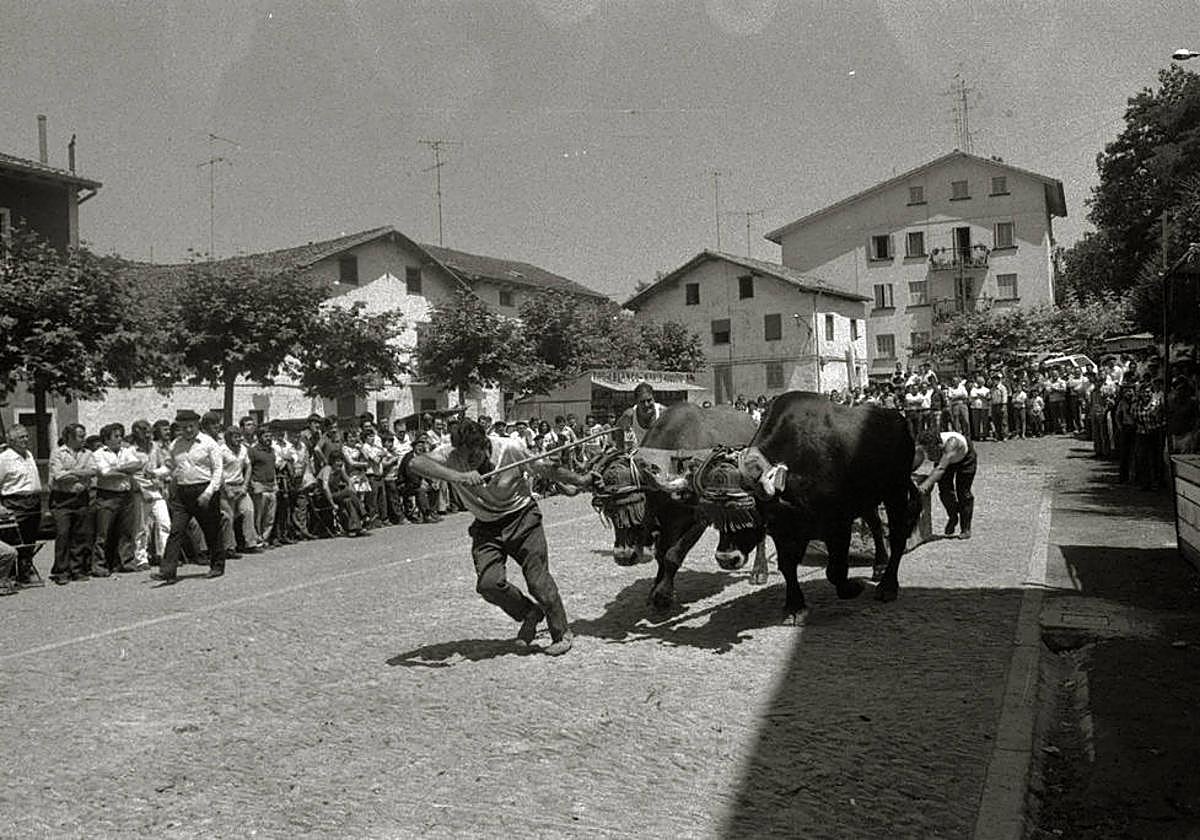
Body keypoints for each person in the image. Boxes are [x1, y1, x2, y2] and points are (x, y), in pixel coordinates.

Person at [406, 419, 594, 655]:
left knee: (538, 581)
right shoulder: (451, 454)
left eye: (472, 457)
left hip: (523, 519)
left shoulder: (511, 448)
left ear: (485, 445)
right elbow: (416, 462)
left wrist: (580, 481)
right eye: (462, 456)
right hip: (486, 526)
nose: (466, 461)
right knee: (489, 584)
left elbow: (545, 469)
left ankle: (561, 632)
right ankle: (529, 613)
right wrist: (457, 476)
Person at [155, 409, 224, 583]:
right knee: (176, 530)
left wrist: (208, 493)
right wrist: (154, 473)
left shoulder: (209, 443)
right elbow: (169, 468)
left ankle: (217, 565)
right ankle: (167, 571)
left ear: (197, 425)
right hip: (183, 492)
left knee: (211, 530)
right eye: (183, 427)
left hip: (205, 490)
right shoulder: (175, 444)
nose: (187, 430)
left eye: (191, 426)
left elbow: (217, 471)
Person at [47, 422, 97, 583]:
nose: (84, 439)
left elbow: (93, 471)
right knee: (63, 533)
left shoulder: (87, 453)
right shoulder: (58, 453)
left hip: (81, 498)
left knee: (80, 534)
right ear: (69, 436)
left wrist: (71, 472)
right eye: (80, 436)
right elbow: (58, 476)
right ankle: (61, 571)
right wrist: (80, 474)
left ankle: (77, 569)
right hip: (62, 499)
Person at [0, 426, 45, 587]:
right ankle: (9, 576)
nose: (26, 440)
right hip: (14, 502)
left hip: (33, 502)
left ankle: (25, 572)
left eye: (26, 436)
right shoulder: (4, 459)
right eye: (21, 438)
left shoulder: (28, 455)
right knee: (13, 539)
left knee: (30, 539)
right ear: (11, 441)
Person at [913, 428, 977, 540]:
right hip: (946, 460)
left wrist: (924, 486)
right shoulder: (925, 447)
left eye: (931, 451)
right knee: (945, 492)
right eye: (926, 451)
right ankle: (953, 517)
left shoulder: (952, 443)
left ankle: (966, 529)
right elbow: (916, 462)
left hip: (965, 459)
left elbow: (941, 468)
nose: (929, 454)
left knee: (964, 493)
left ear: (939, 446)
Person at [617, 382, 666, 449]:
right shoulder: (629, 415)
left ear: (654, 398)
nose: (646, 405)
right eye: (642, 402)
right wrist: (621, 449)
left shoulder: (663, 413)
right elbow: (618, 429)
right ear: (636, 402)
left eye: (649, 400)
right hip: (638, 456)